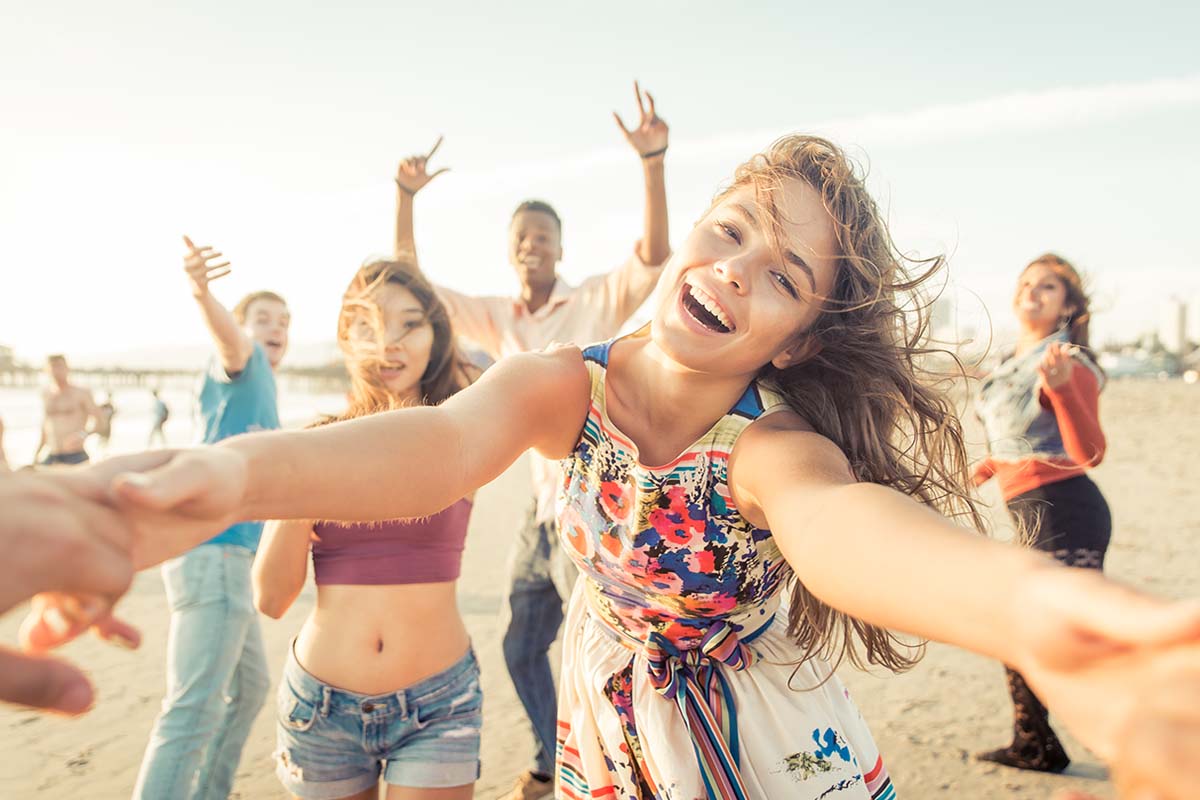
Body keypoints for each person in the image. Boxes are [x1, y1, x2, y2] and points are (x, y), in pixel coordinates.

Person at [25, 134, 1200, 800]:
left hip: (758, 731)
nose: (740, 267)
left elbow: (860, 536)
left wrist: (1057, 620)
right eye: (733, 227)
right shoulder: (564, 381)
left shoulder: (773, 443)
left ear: (792, 338)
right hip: (612, 705)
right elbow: (432, 448)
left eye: (785, 275)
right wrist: (223, 479)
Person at [392, 82, 670, 799]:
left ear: (559, 248)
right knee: (522, 644)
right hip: (538, 514)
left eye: (542, 238)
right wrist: (407, 199)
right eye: (520, 238)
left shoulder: (593, 302)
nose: (530, 247)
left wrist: (652, 162)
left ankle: (616, 771)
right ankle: (556, 757)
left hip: (598, 506)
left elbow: (654, 254)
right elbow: (417, 287)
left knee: (603, 649)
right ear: (510, 250)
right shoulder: (500, 317)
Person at [253, 261, 483, 799]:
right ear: (344, 337)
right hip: (321, 709)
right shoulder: (316, 443)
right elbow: (269, 597)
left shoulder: (465, 429)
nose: (390, 343)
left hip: (439, 704)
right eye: (369, 325)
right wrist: (304, 482)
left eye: (409, 324)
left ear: (435, 335)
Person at [131, 236, 291, 800]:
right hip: (212, 554)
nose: (277, 328)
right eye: (264, 318)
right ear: (246, 327)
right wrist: (203, 294)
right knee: (192, 708)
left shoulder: (263, 388)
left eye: (285, 321)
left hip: (232, 560)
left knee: (248, 689)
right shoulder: (243, 366)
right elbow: (229, 340)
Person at [972, 254, 1111, 772]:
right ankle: (1034, 741)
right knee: (1022, 629)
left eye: (1047, 286)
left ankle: (1146, 726)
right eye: (1026, 282)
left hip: (1065, 510)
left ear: (1067, 305)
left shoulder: (1067, 360)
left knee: (1058, 635)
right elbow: (1021, 440)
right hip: (1029, 510)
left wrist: (1058, 387)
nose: (1032, 291)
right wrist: (989, 465)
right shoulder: (1010, 363)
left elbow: (1088, 452)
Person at [33, 354, 101, 466]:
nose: (56, 371)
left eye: (60, 366)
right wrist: (37, 453)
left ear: (67, 368)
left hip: (76, 455)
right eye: (52, 367)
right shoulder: (46, 394)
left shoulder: (81, 393)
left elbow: (100, 421)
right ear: (47, 370)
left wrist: (83, 435)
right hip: (52, 455)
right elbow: (45, 426)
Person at [94, 391, 116, 456]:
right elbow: (97, 411)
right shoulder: (105, 405)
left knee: (106, 440)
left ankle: (103, 453)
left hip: (108, 426)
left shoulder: (111, 406)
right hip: (104, 425)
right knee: (102, 439)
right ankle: (100, 453)